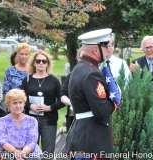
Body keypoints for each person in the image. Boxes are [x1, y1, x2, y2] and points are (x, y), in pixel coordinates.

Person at [64, 28, 122, 159]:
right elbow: (101, 110)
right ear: (96, 49)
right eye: (105, 45)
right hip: (92, 141)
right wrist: (115, 102)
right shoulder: (92, 73)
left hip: (84, 138)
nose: (108, 49)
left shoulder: (79, 68)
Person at [21, 50, 64, 159]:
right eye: (38, 60)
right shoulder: (27, 80)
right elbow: (20, 99)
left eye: (44, 61)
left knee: (48, 152)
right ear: (34, 63)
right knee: (29, 151)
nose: (41, 63)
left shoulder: (53, 80)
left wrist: (49, 108)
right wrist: (30, 105)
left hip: (48, 120)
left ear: (47, 63)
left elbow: (62, 100)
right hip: (30, 119)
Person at [0, 89, 42, 160]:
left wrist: (23, 153)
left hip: (28, 152)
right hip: (6, 151)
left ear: (24, 104)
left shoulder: (32, 121)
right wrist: (15, 151)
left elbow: (32, 141)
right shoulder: (1, 121)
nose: (18, 106)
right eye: (14, 103)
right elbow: (1, 140)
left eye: (20, 102)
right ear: (8, 105)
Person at [60, 47, 84, 132]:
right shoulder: (71, 76)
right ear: (78, 58)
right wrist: (72, 104)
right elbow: (62, 95)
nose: (84, 60)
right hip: (73, 116)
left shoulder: (96, 75)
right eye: (82, 58)